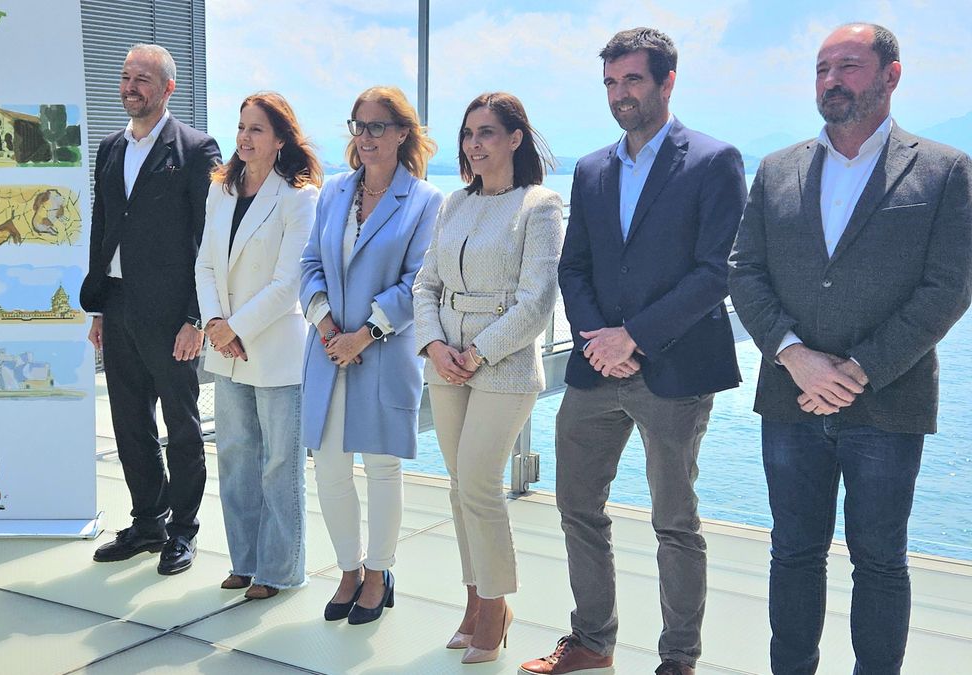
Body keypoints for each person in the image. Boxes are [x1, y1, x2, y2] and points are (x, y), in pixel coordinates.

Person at [728, 23, 972, 675]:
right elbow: (744, 269)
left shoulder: (946, 169)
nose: (831, 79)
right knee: (794, 554)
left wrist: (861, 367)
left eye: (849, 66)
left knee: (881, 560)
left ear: (892, 76)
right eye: (821, 68)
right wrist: (792, 353)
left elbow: (949, 286)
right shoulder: (777, 169)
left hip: (890, 401)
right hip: (789, 397)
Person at [521, 28, 747, 675]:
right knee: (576, 506)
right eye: (612, 84)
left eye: (633, 81)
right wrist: (600, 342)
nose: (621, 95)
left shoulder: (714, 160)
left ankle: (678, 658)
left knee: (675, 520)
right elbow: (575, 268)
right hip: (595, 372)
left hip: (673, 370)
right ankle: (592, 641)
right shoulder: (592, 168)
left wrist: (635, 338)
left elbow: (715, 271)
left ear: (667, 81)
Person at [413, 92, 563, 665]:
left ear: (515, 139)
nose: (475, 144)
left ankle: (497, 606)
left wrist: (475, 352)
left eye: (487, 133)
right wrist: (433, 344)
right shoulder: (454, 203)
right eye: (469, 134)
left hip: (501, 365)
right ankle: (475, 601)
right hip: (444, 360)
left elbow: (537, 299)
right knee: (458, 488)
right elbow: (426, 283)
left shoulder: (539, 205)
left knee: (477, 484)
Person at [299, 85, 442, 625]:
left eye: (378, 126)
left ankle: (379, 572)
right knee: (329, 469)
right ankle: (348, 570)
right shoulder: (333, 192)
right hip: (328, 349)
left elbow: (419, 282)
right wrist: (328, 325)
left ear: (403, 132)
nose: (366, 137)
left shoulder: (426, 201)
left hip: (381, 353)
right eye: (359, 126)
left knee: (382, 469)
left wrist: (364, 334)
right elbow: (309, 262)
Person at [80, 43, 221, 575]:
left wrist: (195, 317)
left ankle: (182, 530)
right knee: (129, 421)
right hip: (116, 306)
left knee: (181, 426)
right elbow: (103, 228)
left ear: (167, 88)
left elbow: (207, 241)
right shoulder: (110, 147)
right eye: (125, 76)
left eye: (142, 79)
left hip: (171, 315)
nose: (130, 87)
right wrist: (97, 307)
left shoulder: (196, 149)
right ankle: (147, 522)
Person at [194, 92, 321, 600]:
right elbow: (204, 263)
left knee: (279, 464)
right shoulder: (220, 189)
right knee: (236, 458)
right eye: (241, 127)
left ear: (281, 139)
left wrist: (234, 329)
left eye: (257, 130)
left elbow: (289, 283)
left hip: (273, 349)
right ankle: (244, 561)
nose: (244, 138)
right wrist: (215, 324)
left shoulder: (299, 195)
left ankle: (280, 569)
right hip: (227, 347)